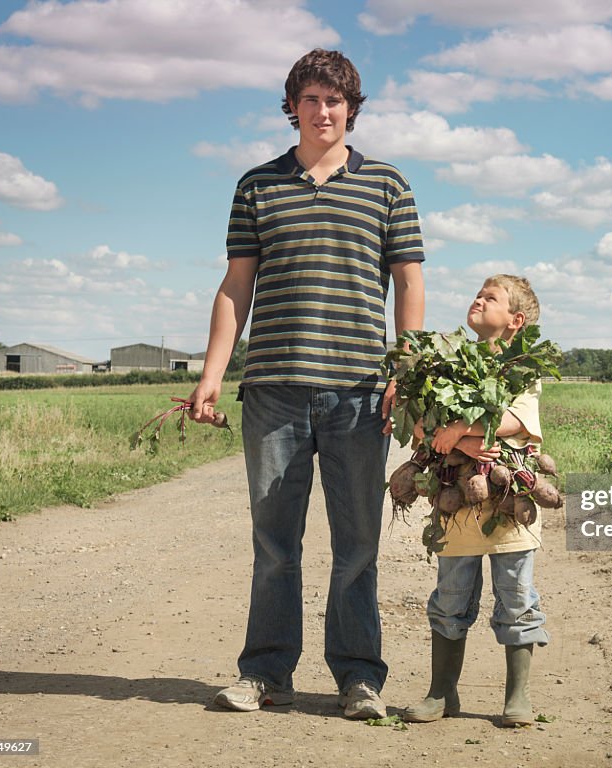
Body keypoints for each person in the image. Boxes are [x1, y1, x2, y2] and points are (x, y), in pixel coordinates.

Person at [188, 48, 425, 718]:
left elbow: (409, 282)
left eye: (335, 100)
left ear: (352, 108)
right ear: (291, 107)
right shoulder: (256, 185)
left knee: (357, 548)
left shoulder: (388, 185)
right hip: (273, 390)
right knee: (274, 546)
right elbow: (237, 285)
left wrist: (403, 372)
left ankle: (359, 679)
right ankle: (263, 674)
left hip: (357, 392)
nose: (323, 112)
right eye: (311, 99)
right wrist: (211, 376)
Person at [405, 275, 550, 727]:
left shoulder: (523, 367)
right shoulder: (446, 363)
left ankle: (517, 697)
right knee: (450, 597)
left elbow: (512, 419)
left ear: (515, 321)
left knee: (516, 595)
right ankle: (441, 692)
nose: (479, 300)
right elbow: (419, 425)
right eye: (478, 294)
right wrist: (457, 444)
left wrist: (458, 433)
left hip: (510, 507)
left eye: (491, 298)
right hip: (458, 503)